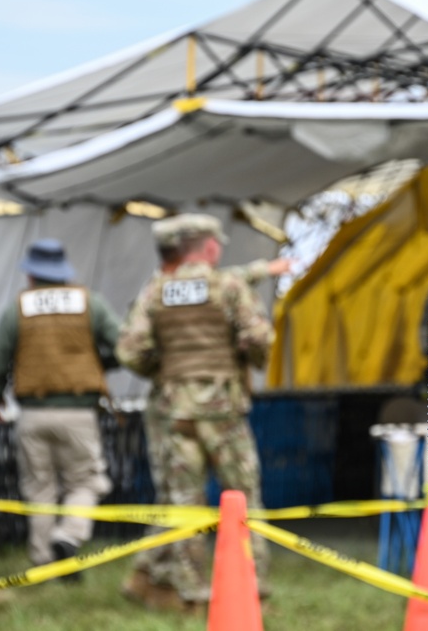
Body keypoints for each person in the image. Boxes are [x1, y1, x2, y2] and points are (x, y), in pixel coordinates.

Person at [116, 213, 275, 611]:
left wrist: (165, 370)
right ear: (208, 247)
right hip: (224, 411)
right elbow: (258, 336)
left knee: (184, 504)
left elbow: (129, 349)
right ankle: (252, 590)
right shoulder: (228, 285)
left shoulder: (157, 290)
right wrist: (248, 355)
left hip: (176, 412)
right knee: (244, 499)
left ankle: (191, 595)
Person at [0, 238, 120, 573]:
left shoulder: (17, 307)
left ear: (30, 275)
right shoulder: (90, 302)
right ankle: (70, 536)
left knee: (39, 487)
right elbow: (123, 343)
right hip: (79, 412)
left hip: (32, 413)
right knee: (86, 481)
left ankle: (44, 560)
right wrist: (99, 363)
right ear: (63, 273)